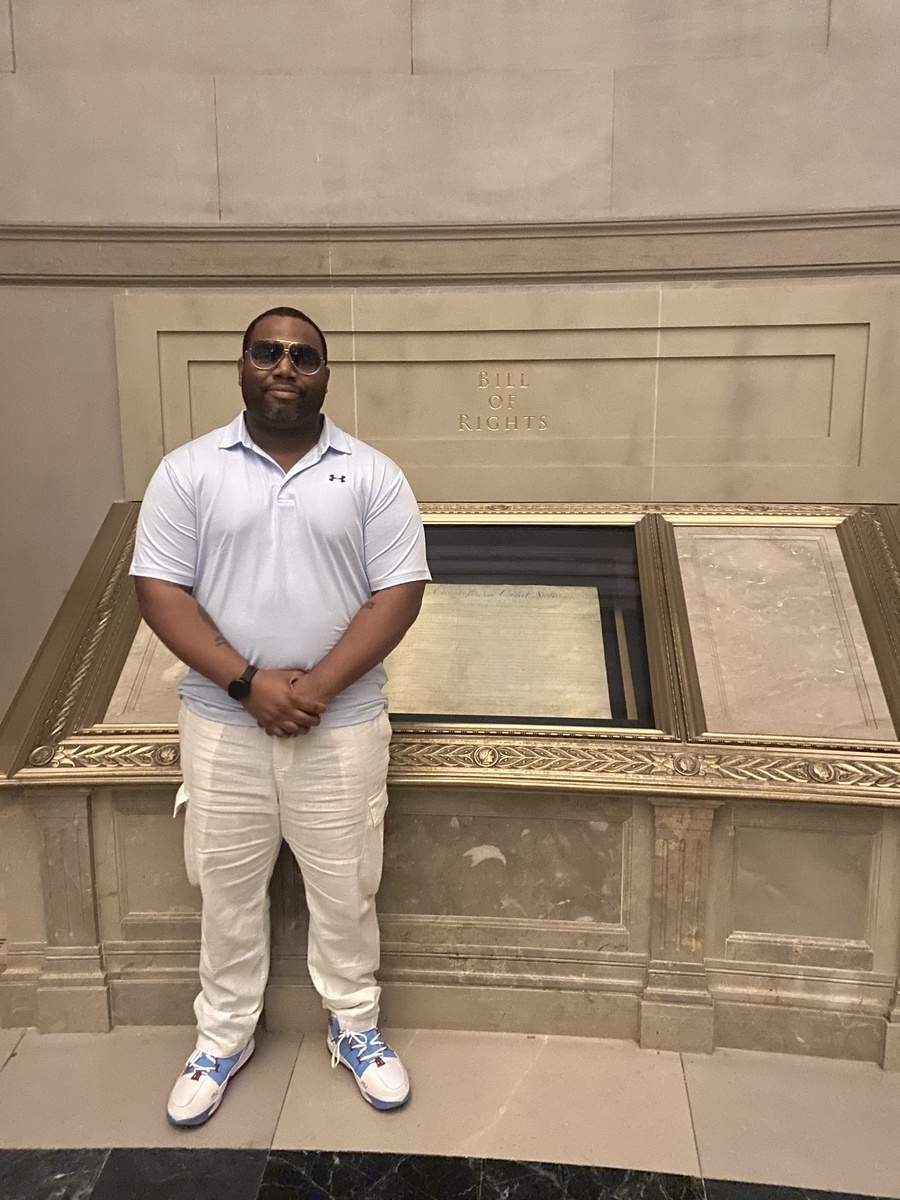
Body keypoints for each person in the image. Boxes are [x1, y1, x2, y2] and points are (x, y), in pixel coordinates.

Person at [130, 305, 430, 1127]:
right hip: (221, 725)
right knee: (224, 889)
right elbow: (159, 589)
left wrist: (315, 688)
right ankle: (223, 1036)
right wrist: (246, 684)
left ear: (325, 374)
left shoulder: (373, 475)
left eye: (304, 355)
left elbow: (399, 592)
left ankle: (355, 1025)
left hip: (343, 726)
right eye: (268, 352)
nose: (285, 367)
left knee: (347, 885)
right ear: (242, 365)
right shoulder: (188, 472)